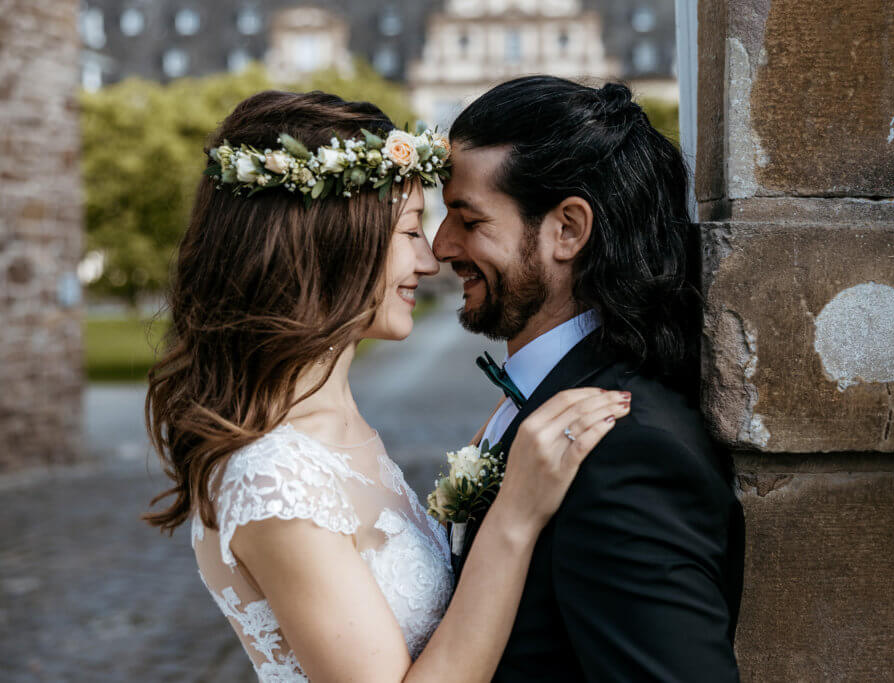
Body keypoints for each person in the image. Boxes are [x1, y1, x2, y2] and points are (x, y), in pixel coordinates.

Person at [144, 90, 630, 682]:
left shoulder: (337, 425)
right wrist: (515, 516)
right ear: (330, 244)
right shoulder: (273, 479)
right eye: (408, 233)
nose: (430, 261)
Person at [432, 75, 745, 681]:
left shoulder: (626, 452)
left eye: (467, 219)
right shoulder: (550, 397)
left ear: (568, 229)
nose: (441, 245)